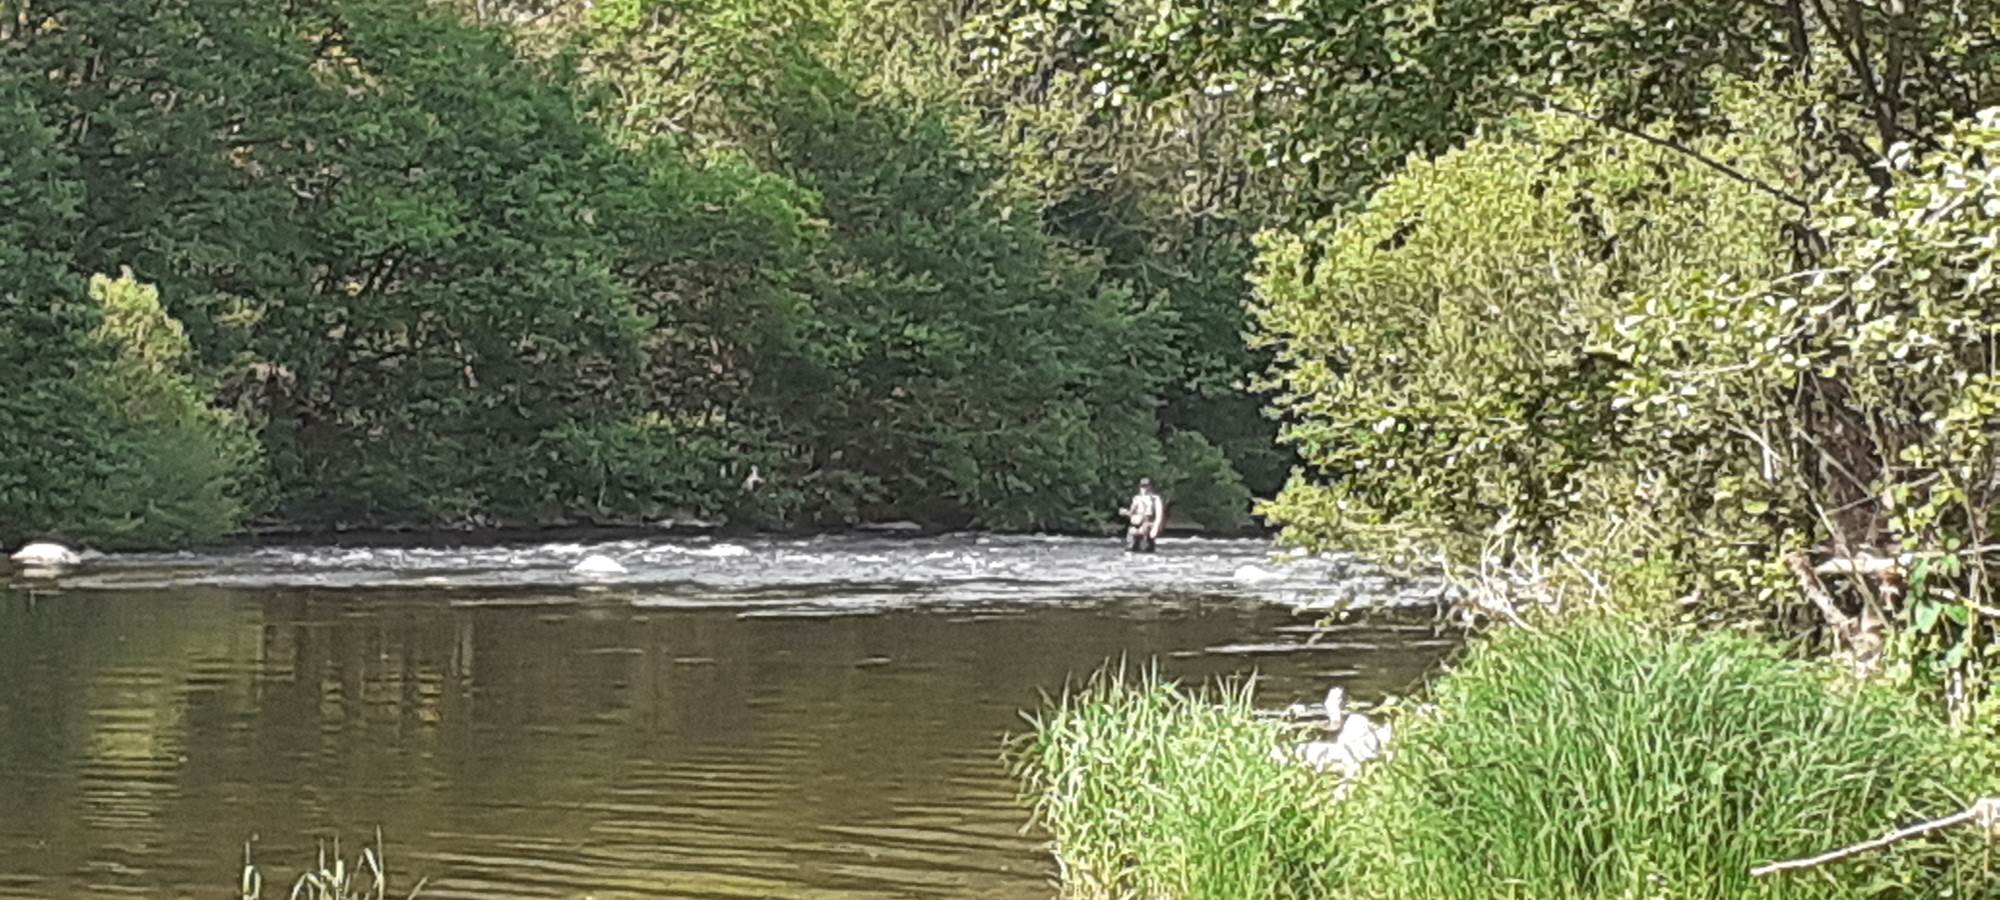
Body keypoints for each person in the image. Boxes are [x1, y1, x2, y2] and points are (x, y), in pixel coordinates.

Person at [1120, 478, 1165, 553]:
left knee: (1146, 549)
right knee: (1130, 549)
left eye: (1146, 486)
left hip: (1148, 525)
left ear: (1150, 487)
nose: (1144, 488)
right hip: (1135, 525)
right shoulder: (1136, 498)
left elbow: (1159, 515)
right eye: (1142, 486)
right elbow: (1132, 513)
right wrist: (1125, 512)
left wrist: (1155, 528)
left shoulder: (1155, 498)